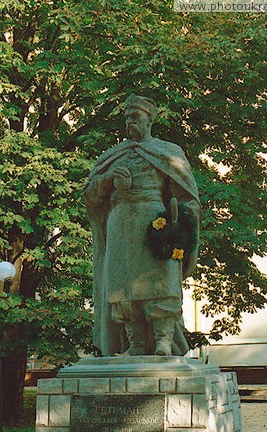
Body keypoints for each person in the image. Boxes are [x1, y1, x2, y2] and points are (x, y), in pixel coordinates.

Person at [83, 93, 200, 357]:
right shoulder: (113, 156)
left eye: (135, 116)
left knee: (160, 284)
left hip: (155, 225)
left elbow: (185, 197)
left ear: (149, 119)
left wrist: (179, 227)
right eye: (126, 117)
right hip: (120, 225)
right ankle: (134, 345)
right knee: (123, 288)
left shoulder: (168, 153)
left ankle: (163, 341)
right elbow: (89, 197)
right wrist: (108, 180)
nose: (130, 122)